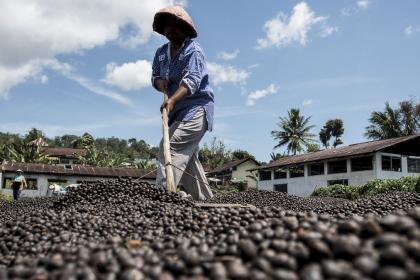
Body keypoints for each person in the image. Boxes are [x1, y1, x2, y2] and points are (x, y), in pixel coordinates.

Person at [151, 6, 214, 200]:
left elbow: (192, 81)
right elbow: (155, 77)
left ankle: (163, 197)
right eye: (169, 27)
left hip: (196, 110)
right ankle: (205, 202)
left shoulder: (193, 51)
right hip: (176, 114)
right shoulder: (161, 53)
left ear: (185, 29)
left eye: (177, 27)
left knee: (170, 147)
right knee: (188, 160)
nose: (172, 30)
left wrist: (172, 100)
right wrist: (160, 83)